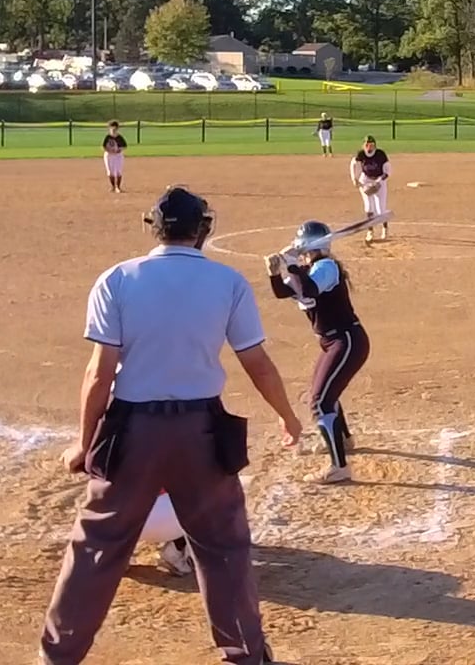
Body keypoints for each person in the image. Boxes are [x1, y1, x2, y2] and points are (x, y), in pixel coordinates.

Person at [40, 186, 302, 665]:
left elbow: (99, 373)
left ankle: (58, 657)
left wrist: (84, 442)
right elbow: (257, 364)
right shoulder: (227, 282)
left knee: (97, 545)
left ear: (155, 229)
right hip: (202, 432)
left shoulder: (117, 279)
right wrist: (287, 415)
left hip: (131, 431)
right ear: (202, 229)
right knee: (223, 547)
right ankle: (246, 655)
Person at [266, 221, 369, 485]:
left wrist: (292, 264)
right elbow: (284, 292)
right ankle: (344, 440)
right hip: (332, 343)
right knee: (324, 394)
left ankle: (339, 468)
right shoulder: (307, 270)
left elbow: (309, 289)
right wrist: (274, 273)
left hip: (346, 340)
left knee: (320, 402)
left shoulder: (326, 267)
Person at [350, 136, 390, 242]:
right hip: (366, 179)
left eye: (371, 145)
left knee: (380, 209)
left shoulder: (380, 154)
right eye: (367, 145)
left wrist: (378, 182)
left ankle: (385, 228)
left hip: (379, 180)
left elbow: (387, 171)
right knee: (368, 207)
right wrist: (354, 178)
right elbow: (353, 164)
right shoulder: (361, 154)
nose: (369, 147)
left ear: (375, 146)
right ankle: (370, 230)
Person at [101, 121, 127, 193]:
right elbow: (103, 147)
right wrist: (109, 150)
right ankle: (113, 187)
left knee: (118, 171)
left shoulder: (119, 137)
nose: (113, 130)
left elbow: (124, 146)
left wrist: (119, 150)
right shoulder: (107, 137)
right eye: (112, 128)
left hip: (118, 156)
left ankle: (118, 187)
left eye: (115, 128)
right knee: (110, 172)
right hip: (109, 155)